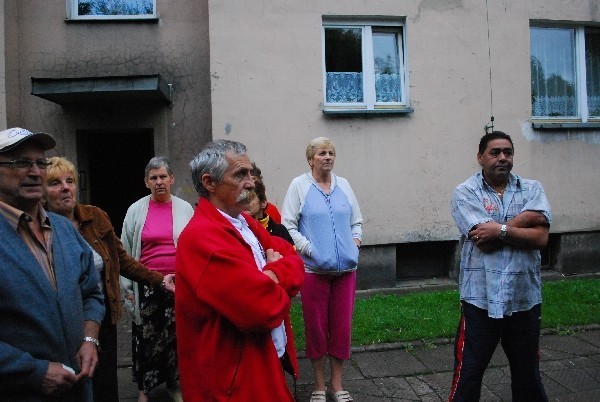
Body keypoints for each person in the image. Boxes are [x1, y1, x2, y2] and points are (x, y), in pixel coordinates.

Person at [176, 139, 304, 401]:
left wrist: (270, 276)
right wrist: (276, 274)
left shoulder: (242, 220)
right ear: (210, 182)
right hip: (234, 382)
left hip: (261, 360)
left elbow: (293, 256)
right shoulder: (203, 237)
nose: (251, 182)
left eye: (250, 173)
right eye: (240, 175)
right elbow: (262, 309)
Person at [43, 156, 176, 402]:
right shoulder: (39, 228)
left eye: (70, 181)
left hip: (103, 316)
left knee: (106, 386)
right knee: (72, 385)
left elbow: (121, 260)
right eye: (55, 183)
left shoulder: (95, 217)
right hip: (62, 322)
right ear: (42, 191)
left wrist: (159, 280)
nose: (65, 187)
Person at [0, 127, 105, 400]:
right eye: (21, 162)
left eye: (40, 163)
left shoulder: (63, 229)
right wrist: (32, 371)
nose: (35, 172)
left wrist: (89, 339)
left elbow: (92, 292)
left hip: (78, 389)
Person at [449, 131, 551, 401]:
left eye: (508, 152)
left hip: (524, 299)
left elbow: (541, 238)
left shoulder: (532, 189)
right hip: (480, 300)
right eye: (495, 152)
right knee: (468, 374)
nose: (502, 158)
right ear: (480, 157)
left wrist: (500, 229)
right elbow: (484, 241)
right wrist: (526, 219)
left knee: (528, 374)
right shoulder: (465, 192)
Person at [282, 136, 363, 402]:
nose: (327, 157)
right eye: (321, 153)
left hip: (345, 273)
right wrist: (310, 250)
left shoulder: (345, 185)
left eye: (330, 153)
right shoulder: (299, 186)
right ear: (310, 159)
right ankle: (318, 384)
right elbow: (288, 226)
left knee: (341, 328)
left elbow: (357, 221)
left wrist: (355, 245)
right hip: (314, 273)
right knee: (316, 329)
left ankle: (336, 385)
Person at [120, 156, 193, 402]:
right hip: (147, 285)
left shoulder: (185, 209)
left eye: (163, 177)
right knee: (146, 337)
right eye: (154, 178)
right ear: (146, 182)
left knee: (176, 337)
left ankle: (174, 384)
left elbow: (193, 246)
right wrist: (127, 288)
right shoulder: (135, 210)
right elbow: (126, 251)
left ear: (172, 179)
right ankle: (144, 389)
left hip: (178, 285)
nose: (159, 182)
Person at [245, 177, 294, 246]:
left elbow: (291, 255)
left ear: (263, 203)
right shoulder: (238, 229)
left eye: (250, 198)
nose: (244, 202)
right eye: (242, 198)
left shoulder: (279, 231)